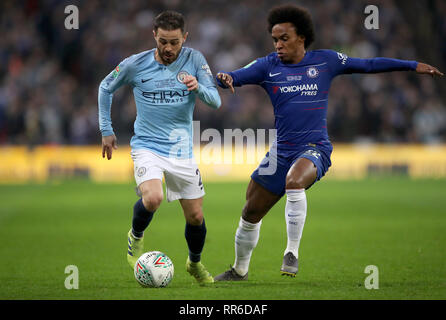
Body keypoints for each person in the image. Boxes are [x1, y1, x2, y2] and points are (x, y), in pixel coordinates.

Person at [214, 4, 443, 281]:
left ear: (302, 37)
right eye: (274, 39)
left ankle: (292, 252)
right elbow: (234, 75)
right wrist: (225, 77)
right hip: (280, 151)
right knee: (250, 211)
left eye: (284, 38)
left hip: (315, 148)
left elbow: (368, 65)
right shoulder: (267, 66)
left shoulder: (326, 61)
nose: (278, 45)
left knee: (295, 181)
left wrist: (411, 65)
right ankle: (239, 271)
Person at [98, 10, 221, 285]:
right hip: (147, 146)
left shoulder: (195, 60)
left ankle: (194, 263)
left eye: (174, 42)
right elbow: (105, 87)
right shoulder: (135, 64)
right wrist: (107, 130)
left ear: (184, 38)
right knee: (153, 198)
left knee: (196, 216)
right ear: (154, 35)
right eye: (163, 41)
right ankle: (135, 237)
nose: (168, 48)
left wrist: (198, 86)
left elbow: (215, 101)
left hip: (181, 151)